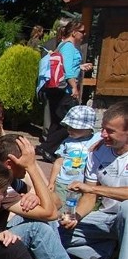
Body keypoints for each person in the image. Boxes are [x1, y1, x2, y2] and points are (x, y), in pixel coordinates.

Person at [0, 134, 90, 259]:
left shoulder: (12, 179)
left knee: (44, 219)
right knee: (38, 227)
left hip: (0, 236)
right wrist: (33, 168)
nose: (31, 162)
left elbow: (56, 203)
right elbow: (51, 212)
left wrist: (35, 195)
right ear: (10, 163)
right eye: (27, 159)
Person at [60, 102, 128, 259]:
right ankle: (100, 254)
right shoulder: (98, 152)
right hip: (106, 218)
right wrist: (76, 217)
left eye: (110, 131)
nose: (103, 135)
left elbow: (92, 189)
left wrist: (94, 189)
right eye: (103, 129)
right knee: (57, 230)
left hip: (125, 215)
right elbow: (89, 196)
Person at [38, 20, 93, 161]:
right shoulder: (69, 47)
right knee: (69, 123)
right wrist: (74, 87)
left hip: (59, 90)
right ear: (74, 32)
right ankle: (46, 148)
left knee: (57, 122)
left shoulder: (63, 45)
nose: (84, 34)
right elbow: (67, 71)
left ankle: (48, 150)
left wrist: (80, 67)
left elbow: (66, 66)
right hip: (64, 91)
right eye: (82, 31)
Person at [47, 105, 101, 204]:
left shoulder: (97, 139)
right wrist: (51, 181)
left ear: (88, 128)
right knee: (61, 208)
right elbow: (58, 162)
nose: (69, 130)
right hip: (63, 183)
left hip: (84, 184)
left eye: (74, 127)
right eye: (68, 127)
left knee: (81, 208)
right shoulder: (67, 142)